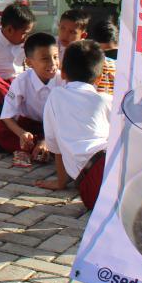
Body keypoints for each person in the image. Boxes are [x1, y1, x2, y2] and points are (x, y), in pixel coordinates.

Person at [36, 40, 112, 210]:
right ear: (99, 78)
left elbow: (54, 145)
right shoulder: (106, 100)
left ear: (62, 73)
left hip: (93, 177)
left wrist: (61, 182)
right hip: (112, 163)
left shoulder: (55, 96)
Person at [0, 32, 57, 167]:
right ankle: (38, 149)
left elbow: (66, 120)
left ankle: (38, 149)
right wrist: (21, 134)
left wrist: (47, 140)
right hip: (30, 126)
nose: (53, 63)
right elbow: (7, 116)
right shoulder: (21, 81)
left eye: (55, 57)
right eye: (45, 59)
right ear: (29, 62)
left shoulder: (63, 81)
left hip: (56, 128)